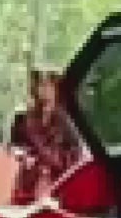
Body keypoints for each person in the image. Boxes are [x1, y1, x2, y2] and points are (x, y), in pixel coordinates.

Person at [8, 68, 82, 205]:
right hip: (29, 181)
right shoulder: (23, 118)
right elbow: (13, 145)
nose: (44, 89)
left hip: (58, 182)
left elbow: (76, 152)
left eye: (48, 84)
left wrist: (54, 161)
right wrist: (23, 155)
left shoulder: (68, 120)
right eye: (41, 84)